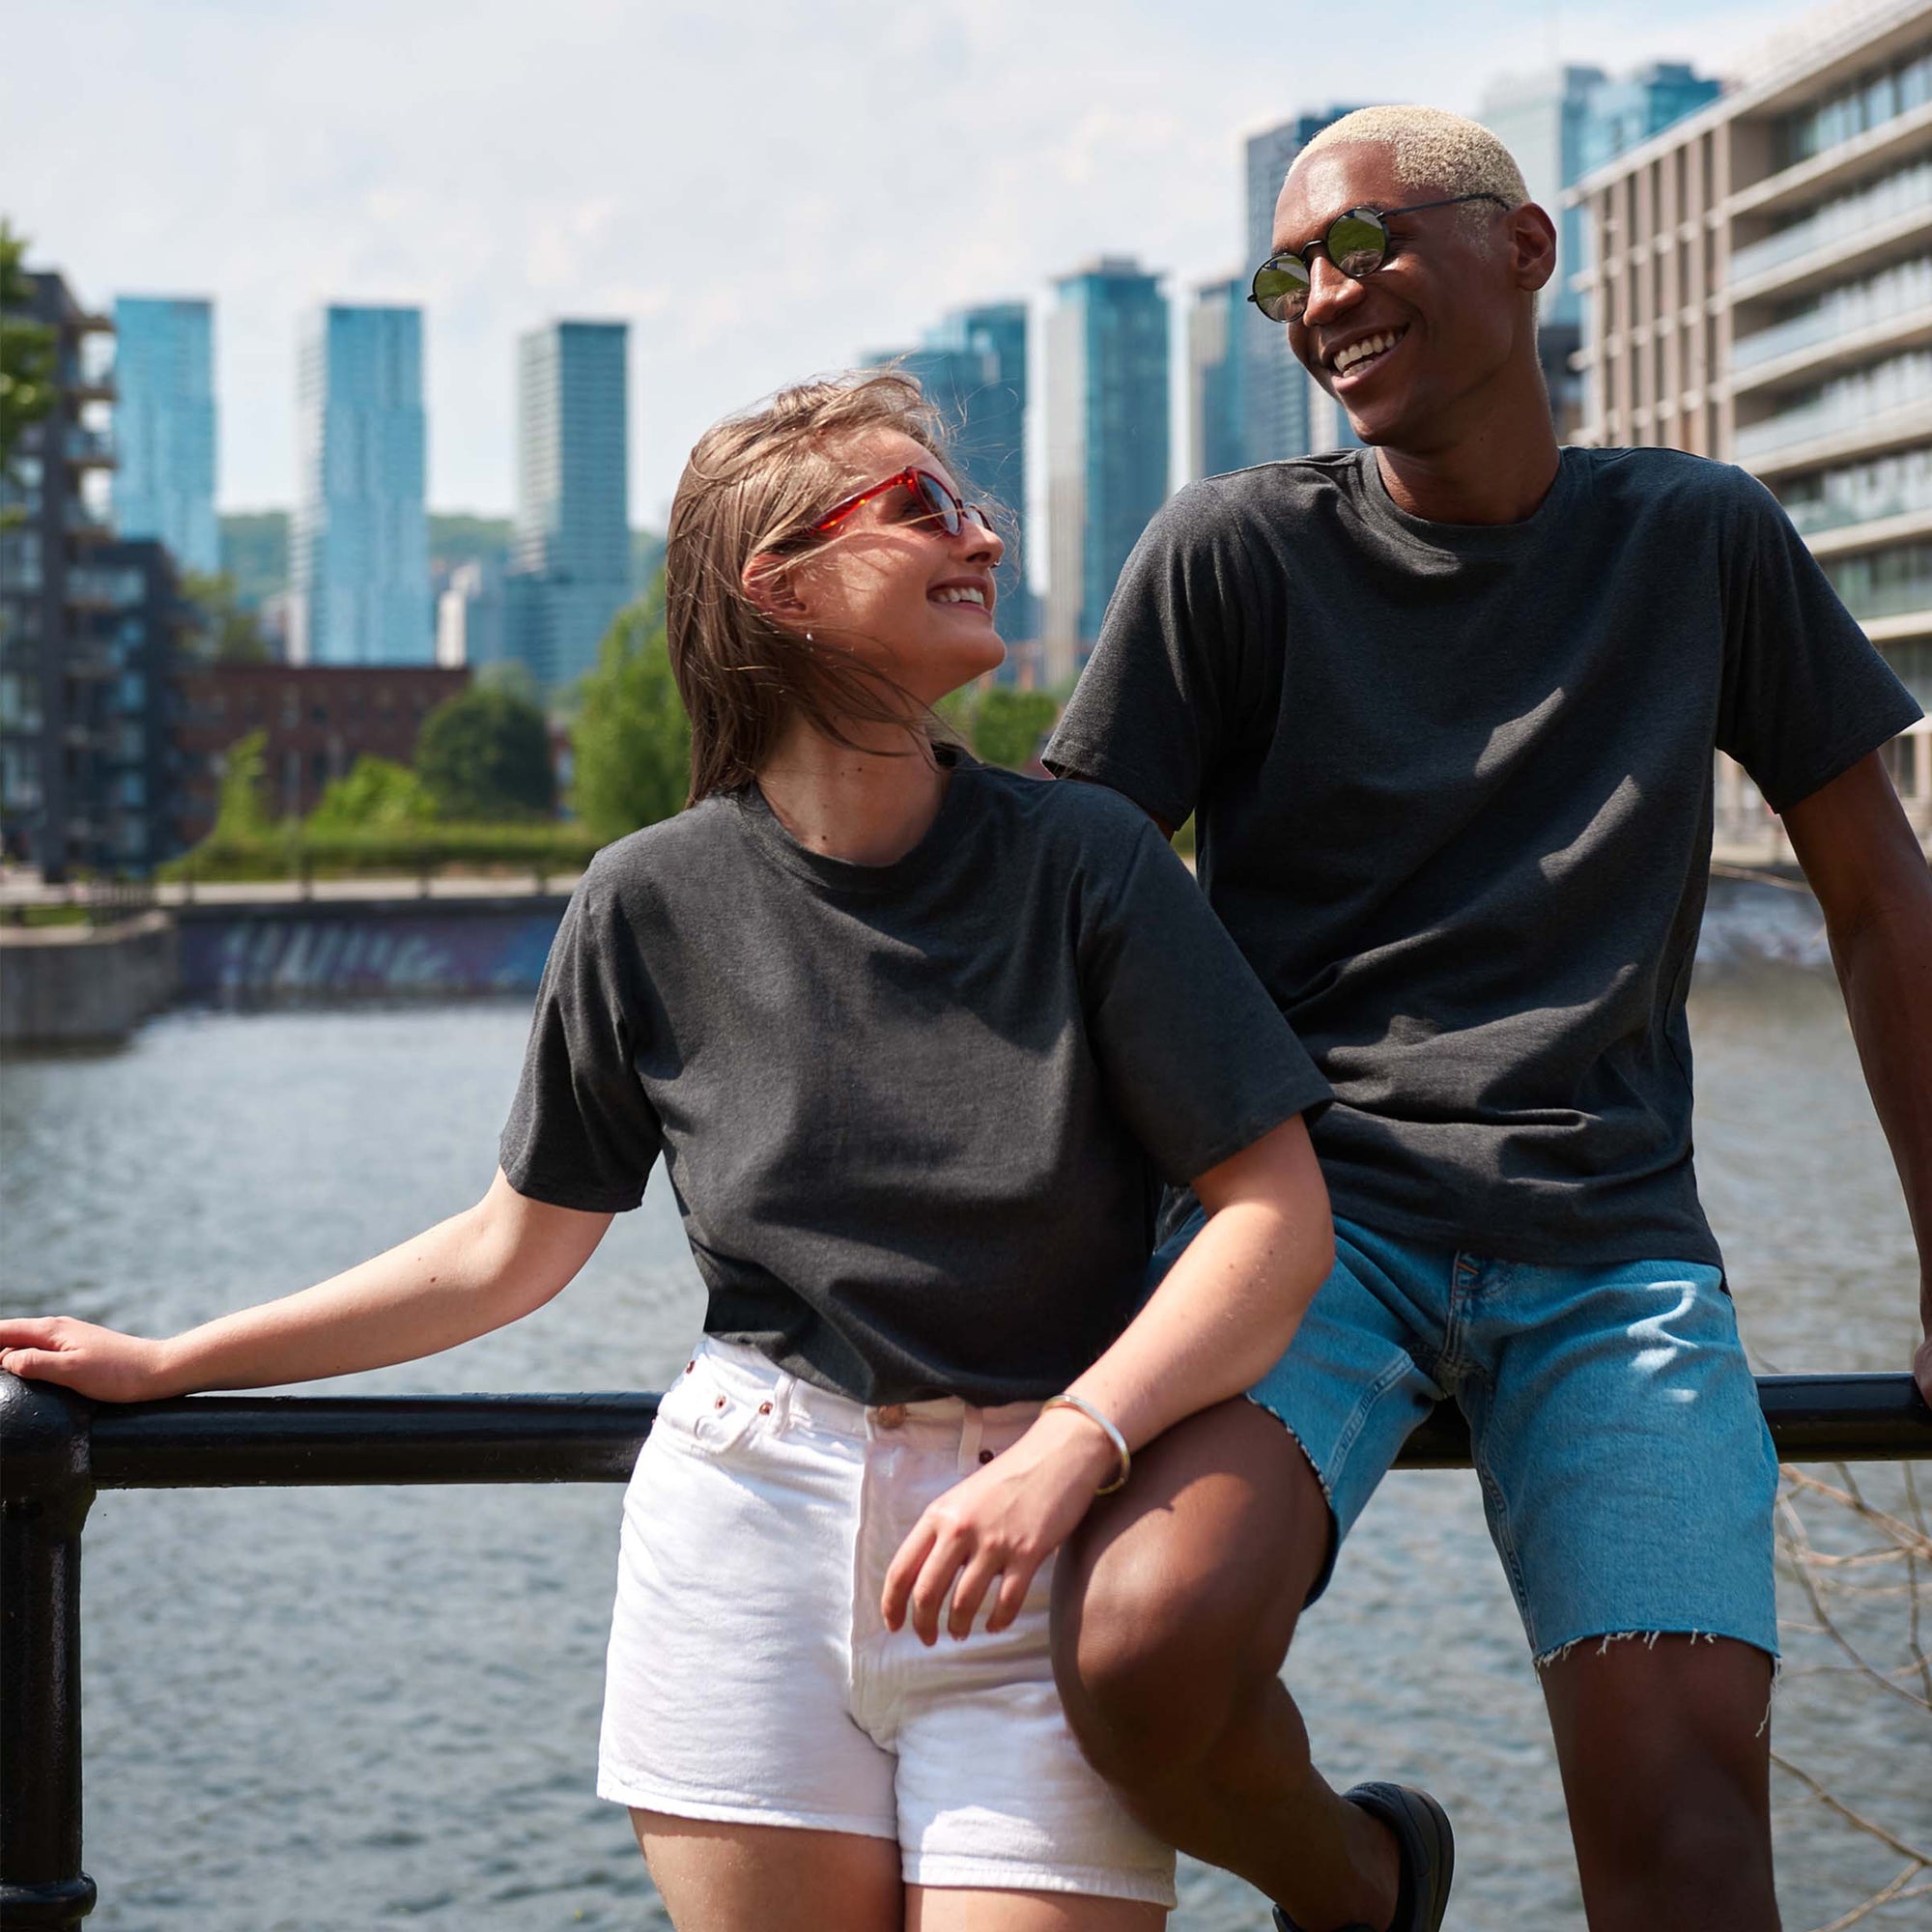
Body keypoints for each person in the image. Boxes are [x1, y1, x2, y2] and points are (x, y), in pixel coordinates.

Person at [0, 374, 1345, 1932]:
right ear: (780, 587)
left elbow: (1275, 1217)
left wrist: (1072, 1448)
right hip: (748, 1537)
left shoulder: (1089, 861)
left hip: (1046, 1536)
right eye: (922, 508)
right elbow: (507, 1251)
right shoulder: (646, 900)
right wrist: (177, 1364)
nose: (982, 536)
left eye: (973, 507)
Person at [1043, 105, 1932, 1932]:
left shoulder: (1699, 537)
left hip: (1613, 1250)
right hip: (1305, 1235)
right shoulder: (1232, 554)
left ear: (1526, 249)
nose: (1323, 298)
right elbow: (1063, 928)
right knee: (1139, 1652)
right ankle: (1369, 1886)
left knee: (1692, 1842)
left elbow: (1878, 902)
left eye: (1364, 244)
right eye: (1287, 276)